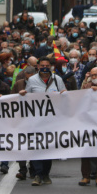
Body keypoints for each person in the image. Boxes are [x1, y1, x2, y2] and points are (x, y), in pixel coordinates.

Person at [19, 56, 67, 186]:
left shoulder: (57, 80)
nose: (45, 67)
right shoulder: (32, 80)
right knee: (36, 147)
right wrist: (23, 93)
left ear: (50, 66)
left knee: (48, 148)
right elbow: (27, 96)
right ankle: (38, 175)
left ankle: (45, 173)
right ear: (38, 67)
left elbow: (64, 96)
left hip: (52, 121)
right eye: (42, 65)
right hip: (35, 121)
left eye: (47, 65)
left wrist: (64, 93)